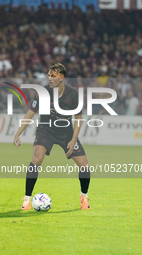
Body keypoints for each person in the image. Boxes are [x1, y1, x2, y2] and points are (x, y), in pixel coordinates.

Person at [13, 63, 90, 210]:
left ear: (61, 78)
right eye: (49, 75)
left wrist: (73, 139)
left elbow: (78, 118)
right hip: (45, 130)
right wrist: (18, 133)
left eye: (53, 76)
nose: (50, 78)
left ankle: (84, 197)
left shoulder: (73, 95)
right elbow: (30, 113)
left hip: (66, 132)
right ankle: (27, 199)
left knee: (84, 165)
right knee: (36, 160)